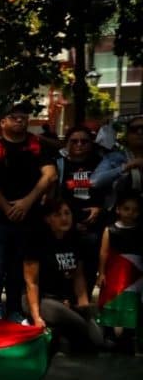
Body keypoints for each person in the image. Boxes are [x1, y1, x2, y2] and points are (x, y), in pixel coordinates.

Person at [0, 102, 57, 320]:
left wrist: (27, 202)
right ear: (2, 123)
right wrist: (6, 206)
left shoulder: (36, 145)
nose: (20, 120)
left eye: (23, 117)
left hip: (29, 219)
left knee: (16, 268)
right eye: (14, 117)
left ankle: (13, 308)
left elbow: (50, 174)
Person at [23, 197, 109, 352]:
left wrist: (84, 308)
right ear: (48, 219)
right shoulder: (36, 242)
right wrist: (36, 318)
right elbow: (32, 283)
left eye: (67, 213)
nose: (64, 218)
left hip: (66, 301)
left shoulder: (75, 239)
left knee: (97, 337)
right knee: (78, 323)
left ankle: (64, 338)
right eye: (57, 215)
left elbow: (78, 276)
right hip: (41, 300)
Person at [57, 125, 105, 292]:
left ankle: (82, 308)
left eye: (84, 141)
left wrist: (100, 208)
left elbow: (109, 193)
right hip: (66, 226)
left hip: (93, 226)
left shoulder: (100, 163)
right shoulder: (59, 163)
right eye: (74, 141)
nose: (79, 144)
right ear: (66, 143)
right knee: (66, 268)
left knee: (89, 268)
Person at [97, 192, 141, 351]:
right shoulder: (110, 230)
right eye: (126, 209)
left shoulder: (140, 230)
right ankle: (108, 334)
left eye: (135, 210)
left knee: (131, 304)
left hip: (135, 274)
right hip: (114, 272)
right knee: (111, 302)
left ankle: (129, 336)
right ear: (118, 209)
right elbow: (103, 252)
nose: (130, 213)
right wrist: (101, 272)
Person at [91, 115, 143, 208]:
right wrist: (126, 167)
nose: (140, 132)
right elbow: (94, 181)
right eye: (134, 129)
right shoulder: (114, 158)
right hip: (120, 215)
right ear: (127, 136)